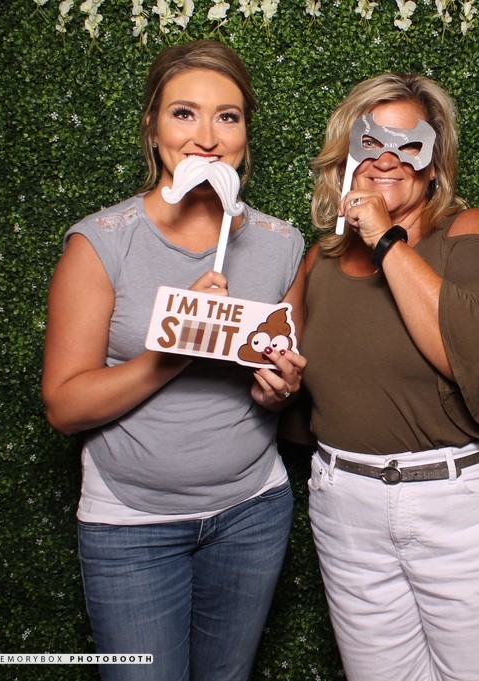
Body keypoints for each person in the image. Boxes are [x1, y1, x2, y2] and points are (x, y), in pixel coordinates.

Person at [41, 39, 306, 681]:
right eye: (184, 113)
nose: (206, 138)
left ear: (245, 134)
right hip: (131, 523)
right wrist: (180, 343)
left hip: (253, 511)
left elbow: (277, 369)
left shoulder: (283, 244)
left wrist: (280, 387)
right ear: (153, 129)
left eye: (227, 117)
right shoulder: (101, 243)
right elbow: (64, 407)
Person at [300, 72, 479, 681]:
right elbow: (284, 369)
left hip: (462, 509)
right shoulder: (318, 258)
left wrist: (385, 237)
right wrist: (268, 377)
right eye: (370, 142)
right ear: (345, 154)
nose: (387, 160)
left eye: (409, 145)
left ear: (435, 166)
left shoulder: (470, 230)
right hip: (346, 509)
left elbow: (471, 353)